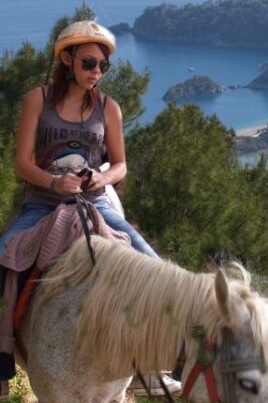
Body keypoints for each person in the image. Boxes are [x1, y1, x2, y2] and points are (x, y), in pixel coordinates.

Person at [0, 20, 179, 399]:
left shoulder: (108, 107)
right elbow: (21, 162)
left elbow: (121, 164)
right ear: (66, 59)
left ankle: (156, 366)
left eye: (102, 66)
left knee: (153, 267)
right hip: (44, 203)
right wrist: (52, 182)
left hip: (95, 203)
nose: (96, 72)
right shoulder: (38, 99)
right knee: (3, 258)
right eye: (89, 63)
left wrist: (103, 179)